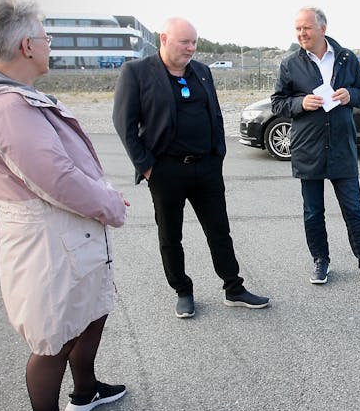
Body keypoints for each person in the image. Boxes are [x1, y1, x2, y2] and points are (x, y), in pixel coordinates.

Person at [0, 0, 129, 411]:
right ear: (28, 45)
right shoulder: (7, 106)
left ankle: (85, 390)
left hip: (67, 229)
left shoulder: (16, 97)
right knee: (55, 332)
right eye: (46, 37)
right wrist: (109, 204)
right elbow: (56, 178)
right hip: (46, 237)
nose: (49, 45)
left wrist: (99, 200)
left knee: (88, 311)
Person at [113, 17, 269, 317]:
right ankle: (182, 290)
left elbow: (215, 114)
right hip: (165, 171)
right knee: (171, 236)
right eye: (184, 42)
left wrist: (218, 154)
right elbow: (124, 123)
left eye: (194, 42)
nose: (191, 48)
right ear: (164, 39)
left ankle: (233, 288)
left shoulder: (202, 72)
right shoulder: (137, 72)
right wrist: (147, 168)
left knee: (219, 231)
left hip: (206, 168)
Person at [271, 7, 360, 292]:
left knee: (354, 210)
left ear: (322, 28)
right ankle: (320, 260)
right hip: (308, 148)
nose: (301, 33)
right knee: (313, 212)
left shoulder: (347, 58)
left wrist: (351, 95)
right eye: (297, 28)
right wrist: (301, 103)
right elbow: (278, 102)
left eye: (306, 28)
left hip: (341, 147)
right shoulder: (290, 64)